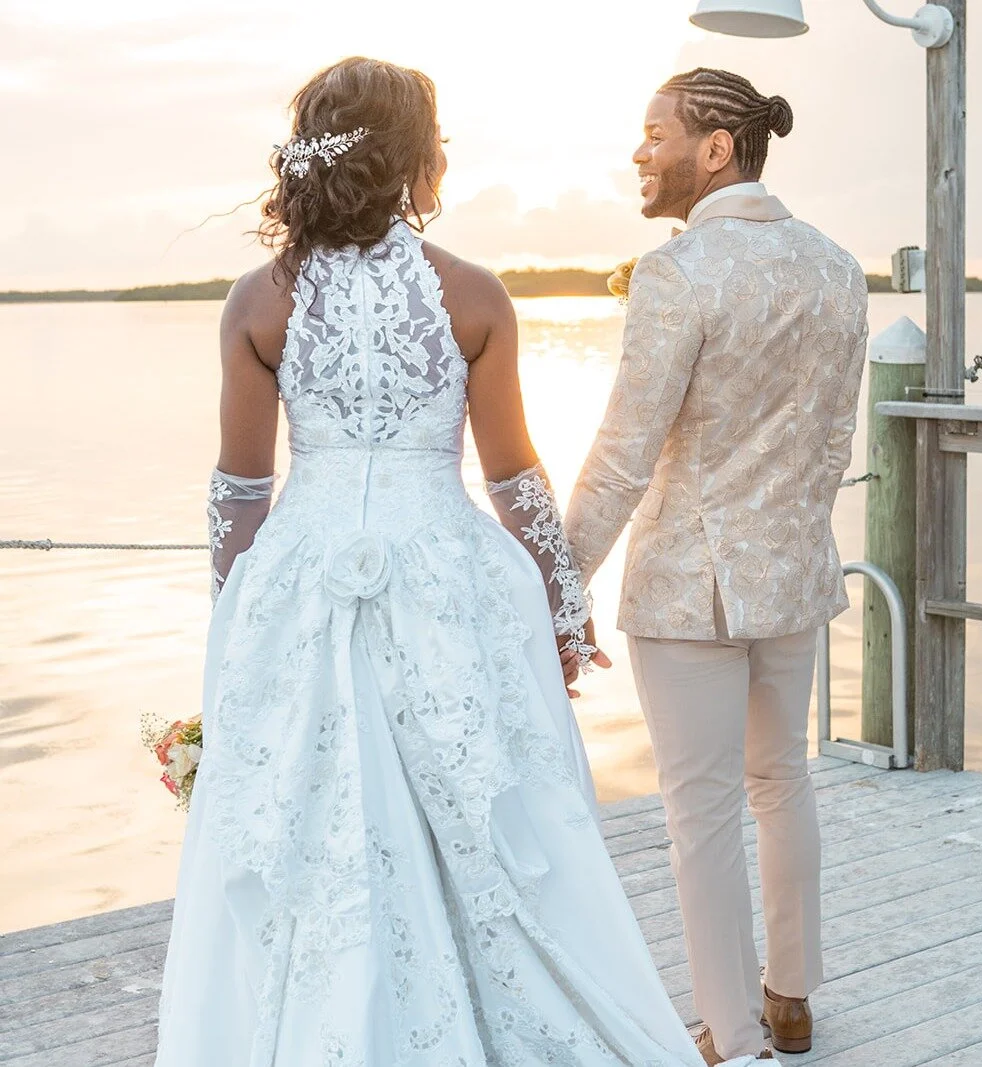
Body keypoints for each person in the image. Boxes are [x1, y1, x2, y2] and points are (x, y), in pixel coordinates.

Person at [153, 55, 716, 1067]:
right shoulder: (473, 294)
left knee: (320, 825)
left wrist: (235, 625)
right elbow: (514, 479)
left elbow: (240, 491)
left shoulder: (254, 302)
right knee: (480, 816)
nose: (447, 153)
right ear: (408, 159)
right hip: (450, 581)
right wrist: (558, 603)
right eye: (437, 137)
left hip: (300, 585)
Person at [564, 69, 869, 1065]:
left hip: (688, 586)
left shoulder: (678, 271)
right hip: (790, 577)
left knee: (698, 810)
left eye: (653, 134)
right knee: (781, 780)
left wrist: (554, 575)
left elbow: (621, 452)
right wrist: (787, 535)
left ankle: (728, 1032)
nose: (638, 153)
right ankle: (791, 999)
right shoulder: (836, 268)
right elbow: (831, 443)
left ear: (715, 149)